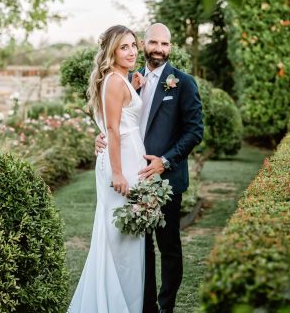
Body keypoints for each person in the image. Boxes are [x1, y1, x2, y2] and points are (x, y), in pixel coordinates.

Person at [95, 23, 204, 313]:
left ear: (171, 47)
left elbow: (194, 131)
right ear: (144, 44)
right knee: (139, 251)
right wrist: (103, 138)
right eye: (153, 42)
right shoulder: (130, 78)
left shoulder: (183, 83)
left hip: (165, 182)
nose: (159, 48)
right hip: (133, 177)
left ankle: (165, 307)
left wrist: (164, 161)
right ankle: (145, 308)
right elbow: (117, 123)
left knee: (168, 248)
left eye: (165, 44)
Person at [68, 25, 148, 313]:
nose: (131, 52)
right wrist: (117, 172)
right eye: (124, 47)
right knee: (119, 242)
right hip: (120, 165)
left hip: (127, 161)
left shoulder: (122, 81)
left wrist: (134, 90)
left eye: (133, 46)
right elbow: (113, 129)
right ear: (111, 51)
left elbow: (120, 118)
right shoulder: (114, 81)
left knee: (126, 241)